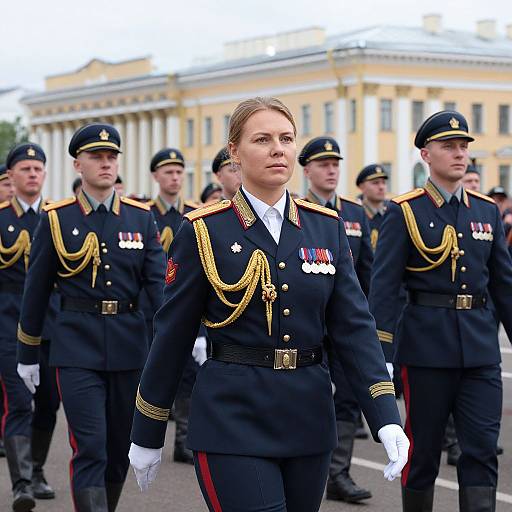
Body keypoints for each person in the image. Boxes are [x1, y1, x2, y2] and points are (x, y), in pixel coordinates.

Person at [128, 97, 408, 512]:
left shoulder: (325, 227)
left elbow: (354, 329)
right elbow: (172, 336)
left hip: (308, 417)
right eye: (262, 139)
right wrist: (147, 431)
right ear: (235, 153)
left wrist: (385, 414)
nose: (278, 148)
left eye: (286, 138)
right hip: (232, 417)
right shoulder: (204, 230)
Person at [16, 123, 166, 512]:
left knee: (119, 450)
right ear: (77, 164)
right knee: (91, 446)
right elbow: (35, 292)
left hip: (129, 346)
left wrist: (177, 342)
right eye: (96, 157)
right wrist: (28, 353)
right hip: (76, 347)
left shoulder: (140, 217)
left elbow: (159, 290)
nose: (105, 163)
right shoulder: (57, 218)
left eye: (111, 156)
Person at [369, 110, 512, 512]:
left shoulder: (486, 211)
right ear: (425, 155)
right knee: (424, 452)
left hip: (480, 351)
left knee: (482, 449)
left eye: (464, 146)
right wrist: (381, 354)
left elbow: (504, 285)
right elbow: (384, 288)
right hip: (426, 350)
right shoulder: (406, 211)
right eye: (449, 146)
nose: (459, 154)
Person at [299, 136, 374, 503]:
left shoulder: (354, 214)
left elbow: (367, 273)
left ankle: (338, 474)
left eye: (335, 163)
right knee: (308, 397)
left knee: (347, 399)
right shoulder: (293, 211)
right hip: (307, 324)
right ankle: (303, 464)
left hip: (343, 326)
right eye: (323, 164)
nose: (331, 170)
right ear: (307, 169)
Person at [0, 143, 62, 510]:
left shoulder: (56, 220)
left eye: (38, 168)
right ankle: (21, 482)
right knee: (20, 403)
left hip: (51, 330)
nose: (33, 174)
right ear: (11, 176)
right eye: (25, 169)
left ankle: (37, 470)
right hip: (8, 327)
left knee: (48, 404)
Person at [147, 148, 205, 464]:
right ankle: (141, 434)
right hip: (148, 310)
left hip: (185, 306)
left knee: (187, 375)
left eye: (179, 172)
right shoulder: (145, 214)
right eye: (168, 172)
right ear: (156, 176)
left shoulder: (194, 216)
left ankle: (183, 438)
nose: (174, 177)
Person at [356, 164, 389, 251]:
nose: (381, 187)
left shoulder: (392, 212)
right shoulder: (355, 213)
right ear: (361, 186)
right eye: (375, 183)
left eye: (383, 182)